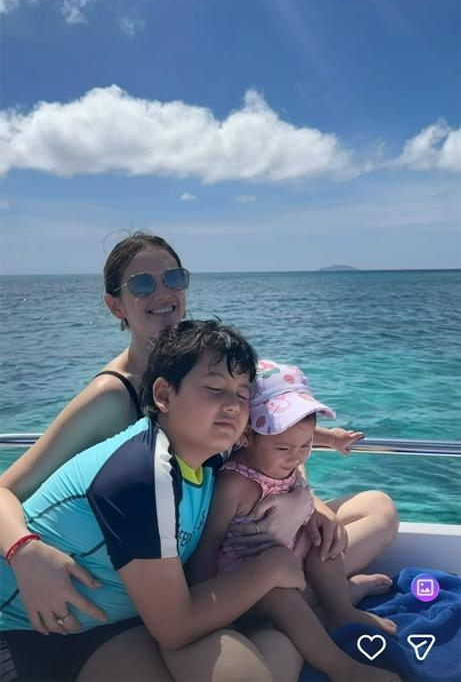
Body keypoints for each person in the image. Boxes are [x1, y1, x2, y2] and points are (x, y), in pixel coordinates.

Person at [0, 231, 362, 648]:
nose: (162, 292)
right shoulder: (113, 396)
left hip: (214, 538)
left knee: (374, 511)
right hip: (151, 571)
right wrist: (24, 551)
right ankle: (308, 605)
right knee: (273, 639)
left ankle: (310, 603)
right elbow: (8, 489)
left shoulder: (209, 364)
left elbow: (269, 435)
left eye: (173, 278)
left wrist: (310, 503)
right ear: (115, 305)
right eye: (142, 284)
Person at [0, 321, 308, 682]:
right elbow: (175, 627)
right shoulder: (142, 472)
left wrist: (307, 505)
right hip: (19, 630)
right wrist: (271, 567)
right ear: (163, 395)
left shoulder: (209, 456)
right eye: (214, 389)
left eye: (242, 395)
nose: (232, 406)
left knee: (277, 646)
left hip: (109, 625)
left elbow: (280, 450)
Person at [192, 359, 399, 682]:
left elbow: (298, 431)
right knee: (280, 596)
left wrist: (332, 438)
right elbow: (207, 548)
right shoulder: (235, 485)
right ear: (247, 435)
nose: (296, 456)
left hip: (289, 555)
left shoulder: (283, 450)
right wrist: (214, 615)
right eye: (284, 447)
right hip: (251, 581)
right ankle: (340, 666)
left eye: (306, 446)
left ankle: (341, 609)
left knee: (322, 541)